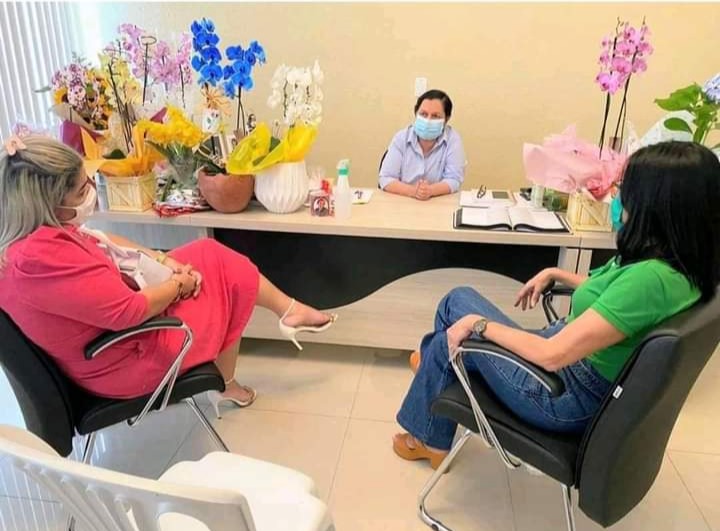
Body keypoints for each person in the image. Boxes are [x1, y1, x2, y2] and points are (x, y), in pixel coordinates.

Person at [393, 141, 720, 468]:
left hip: (561, 393)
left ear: (658, 205)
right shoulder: (682, 265)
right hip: (572, 365)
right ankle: (434, 370)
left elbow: (552, 355)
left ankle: (429, 435)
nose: (619, 197)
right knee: (457, 300)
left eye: (627, 190)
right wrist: (557, 272)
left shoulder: (650, 280)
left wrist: (478, 324)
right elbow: (616, 299)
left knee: (448, 338)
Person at [0, 135, 337, 418]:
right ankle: (246, 360)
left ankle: (280, 320)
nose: (90, 190)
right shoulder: (39, 260)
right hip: (124, 360)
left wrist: (164, 260)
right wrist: (178, 285)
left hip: (117, 334)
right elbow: (129, 312)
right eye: (80, 191)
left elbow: (102, 239)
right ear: (48, 204)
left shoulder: (37, 234)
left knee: (208, 253)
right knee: (229, 281)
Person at [379, 89, 466, 200]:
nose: (428, 120)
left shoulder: (453, 140)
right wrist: (414, 191)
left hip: (437, 203)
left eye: (435, 116)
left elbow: (454, 179)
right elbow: (386, 178)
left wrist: (430, 191)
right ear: (416, 113)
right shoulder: (401, 138)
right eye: (423, 114)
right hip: (402, 201)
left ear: (446, 119)